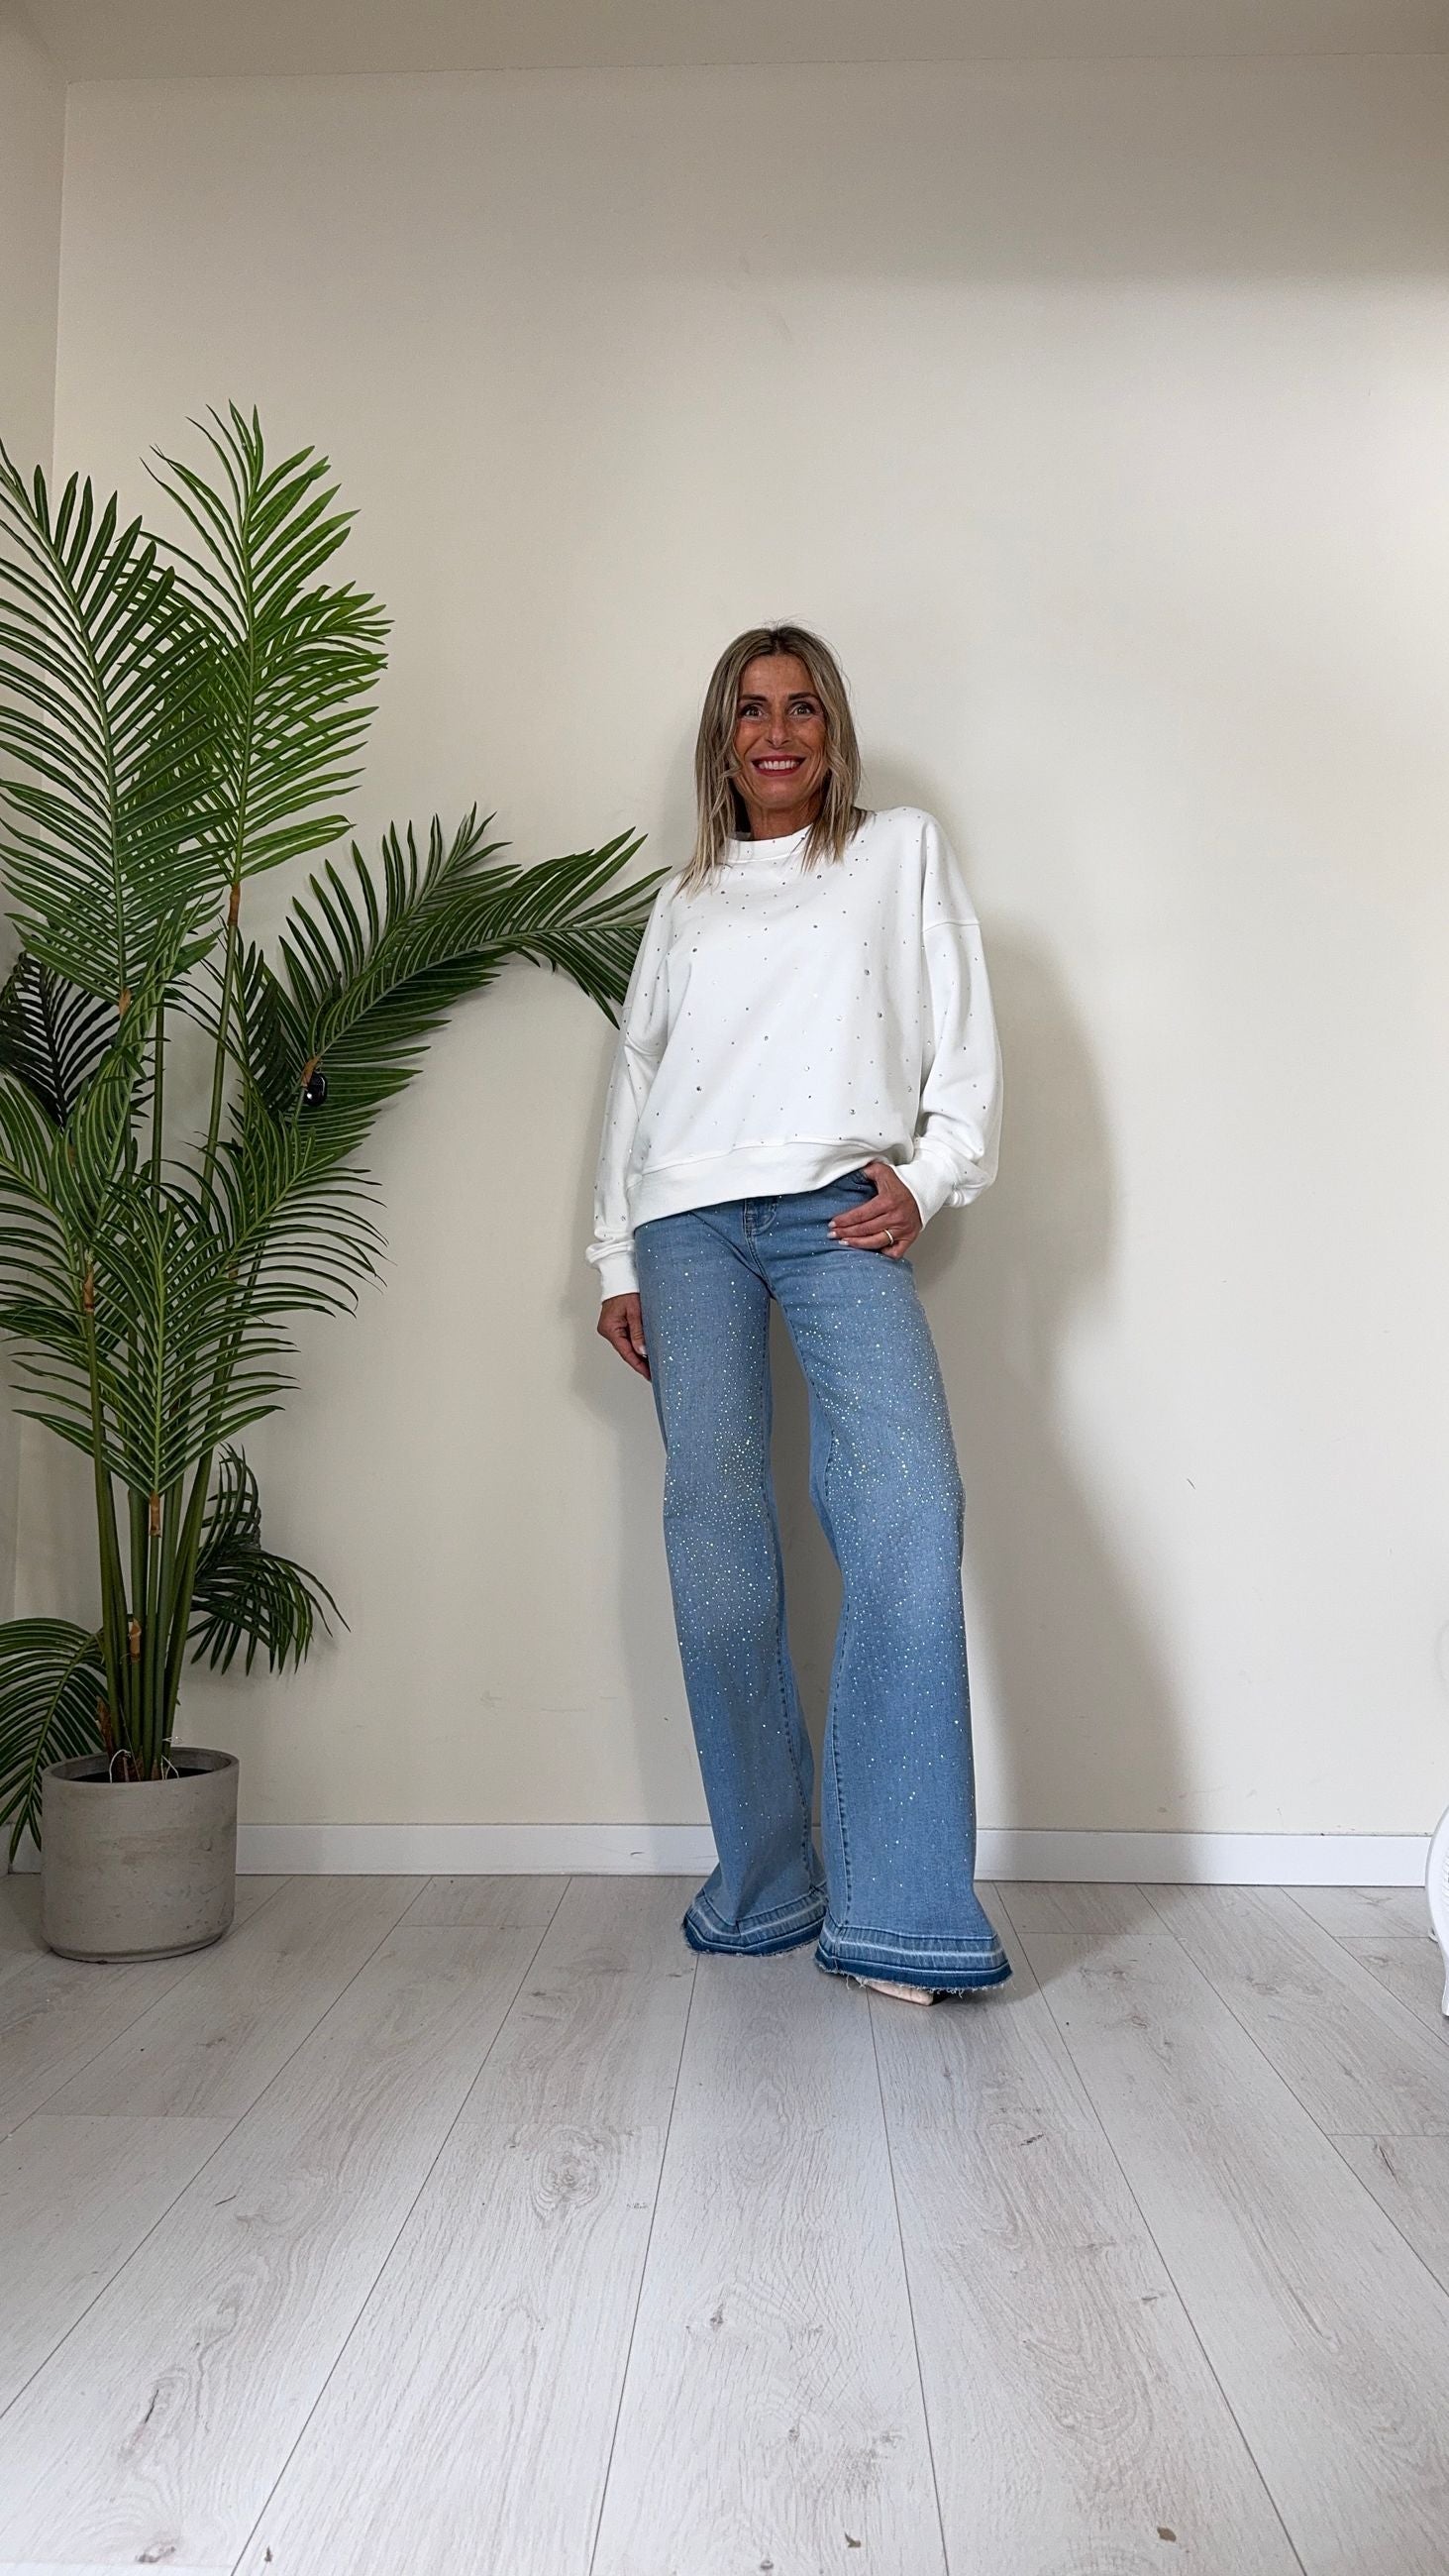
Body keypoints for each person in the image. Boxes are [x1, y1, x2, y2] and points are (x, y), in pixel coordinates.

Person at [587, 623, 1010, 2004]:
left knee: (909, 1512)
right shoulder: (685, 899)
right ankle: (765, 1885)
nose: (776, 734)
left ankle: (903, 1918)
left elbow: (964, 1038)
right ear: (722, 740)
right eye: (751, 711)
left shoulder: (899, 853)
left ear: (834, 733)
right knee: (717, 1551)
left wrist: (930, 1176)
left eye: (803, 709)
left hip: (836, 1205)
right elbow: (638, 1077)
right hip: (686, 1225)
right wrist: (615, 1258)